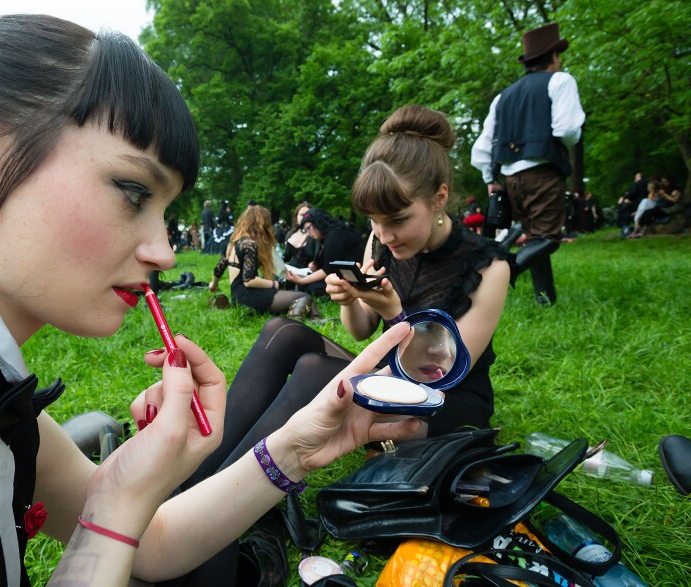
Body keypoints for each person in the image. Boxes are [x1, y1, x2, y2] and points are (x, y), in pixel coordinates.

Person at [0, 16, 420, 586]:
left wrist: (296, 447)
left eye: (168, 211)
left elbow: (150, 544)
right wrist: (117, 505)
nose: (164, 252)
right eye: (132, 191)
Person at [196, 105, 512, 474]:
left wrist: (395, 314)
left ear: (439, 198)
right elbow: (361, 329)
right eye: (374, 221)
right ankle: (197, 474)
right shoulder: (381, 243)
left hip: (444, 402)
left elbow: (442, 373)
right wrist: (350, 299)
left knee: (315, 370)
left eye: (397, 220)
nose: (384, 234)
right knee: (280, 332)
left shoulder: (489, 265)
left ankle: (225, 492)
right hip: (385, 379)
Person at [471, 22, 585, 305]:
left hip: (510, 178)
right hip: (543, 172)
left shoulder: (503, 96)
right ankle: (496, 275)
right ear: (555, 57)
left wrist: (490, 180)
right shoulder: (561, 81)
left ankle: (544, 297)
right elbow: (567, 131)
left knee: (535, 236)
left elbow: (482, 148)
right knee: (548, 238)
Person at [208, 205, 315, 317]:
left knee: (295, 299)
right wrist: (275, 284)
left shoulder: (232, 243)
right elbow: (249, 280)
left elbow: (218, 269)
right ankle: (304, 319)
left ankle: (313, 318)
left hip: (237, 299)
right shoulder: (250, 244)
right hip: (250, 298)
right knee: (303, 297)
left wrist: (213, 285)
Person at [285, 207, 364, 296]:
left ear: (318, 223)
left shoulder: (335, 236)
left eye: (308, 228)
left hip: (353, 277)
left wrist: (302, 281)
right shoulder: (329, 236)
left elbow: (329, 269)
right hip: (345, 275)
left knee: (313, 287)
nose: (308, 233)